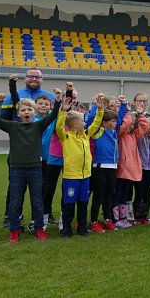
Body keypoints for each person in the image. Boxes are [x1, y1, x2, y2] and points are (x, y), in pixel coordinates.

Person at [0, 90, 59, 242]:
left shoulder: (39, 126)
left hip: (35, 169)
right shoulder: (12, 126)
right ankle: (14, 230)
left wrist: (59, 101)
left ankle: (39, 229)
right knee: (15, 200)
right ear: (18, 113)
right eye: (23, 110)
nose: (27, 112)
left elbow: (53, 115)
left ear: (34, 113)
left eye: (29, 109)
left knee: (37, 200)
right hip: (17, 169)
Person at [0, 69, 55, 228]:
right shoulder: (13, 95)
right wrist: (17, 132)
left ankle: (43, 215)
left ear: (42, 79)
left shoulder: (49, 96)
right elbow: (3, 119)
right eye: (31, 76)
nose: (34, 79)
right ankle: (10, 216)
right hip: (19, 151)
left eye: (37, 77)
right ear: (25, 78)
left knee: (42, 186)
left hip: (42, 154)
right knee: (15, 186)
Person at [54, 92, 105, 237]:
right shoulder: (66, 137)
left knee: (83, 202)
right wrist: (63, 111)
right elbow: (59, 127)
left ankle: (82, 228)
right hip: (71, 176)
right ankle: (66, 229)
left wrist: (100, 110)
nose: (84, 123)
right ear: (75, 124)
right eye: (82, 121)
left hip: (85, 176)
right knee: (68, 203)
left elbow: (95, 124)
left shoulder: (85, 135)